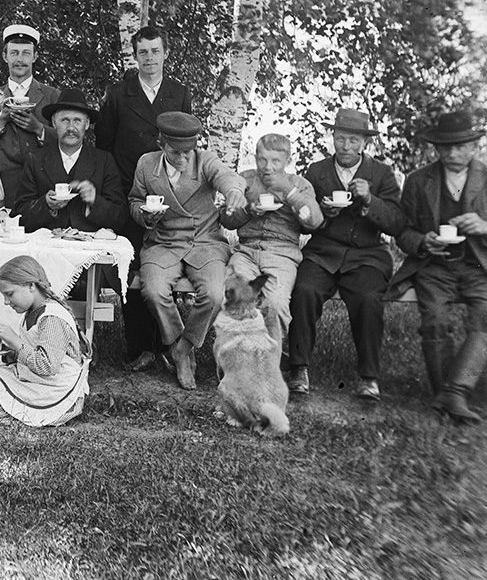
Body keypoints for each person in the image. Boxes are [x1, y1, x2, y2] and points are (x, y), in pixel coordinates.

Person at [287, 108, 406, 402]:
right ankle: (299, 369)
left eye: (353, 140)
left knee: (368, 298)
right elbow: (303, 219)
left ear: (365, 142)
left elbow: (396, 223)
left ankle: (369, 377)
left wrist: (370, 200)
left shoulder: (381, 173)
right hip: (323, 252)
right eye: (340, 138)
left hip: (367, 255)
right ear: (333, 137)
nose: (346, 147)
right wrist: (322, 215)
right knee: (304, 290)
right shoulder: (317, 171)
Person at [96, 26, 193, 371]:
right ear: (135, 55)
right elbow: (104, 145)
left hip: (170, 195)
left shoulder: (179, 93)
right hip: (131, 193)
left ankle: (168, 345)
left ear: (166, 53)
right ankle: (141, 348)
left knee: (163, 266)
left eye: (155, 51)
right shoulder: (118, 94)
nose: (149, 58)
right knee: (133, 266)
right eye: (143, 52)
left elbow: (186, 145)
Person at [128, 112, 247, 389]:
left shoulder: (205, 161)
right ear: (161, 143)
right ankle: (177, 343)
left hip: (204, 242)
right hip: (162, 242)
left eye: (187, 151)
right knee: (153, 291)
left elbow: (227, 177)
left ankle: (183, 347)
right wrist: (145, 216)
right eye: (175, 152)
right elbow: (134, 200)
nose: (183, 158)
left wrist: (234, 192)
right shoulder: (146, 164)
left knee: (215, 294)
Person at [390, 111, 487, 422]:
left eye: (460, 146)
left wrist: (486, 227)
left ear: (473, 146)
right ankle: (445, 395)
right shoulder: (418, 180)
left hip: (479, 267)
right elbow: (402, 232)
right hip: (435, 267)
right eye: (445, 146)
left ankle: (455, 392)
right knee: (434, 318)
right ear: (436, 148)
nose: (452, 153)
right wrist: (423, 241)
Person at [0, 256, 91, 426]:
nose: (6, 301)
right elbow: (31, 353)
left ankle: (1, 406)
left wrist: (16, 342)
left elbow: (47, 366)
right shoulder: (31, 312)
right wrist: (10, 351)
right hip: (35, 379)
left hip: (53, 390)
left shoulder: (52, 318)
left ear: (31, 286)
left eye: (9, 294)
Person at [222, 133, 324, 342]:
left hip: (282, 254)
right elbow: (226, 220)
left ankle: (270, 353)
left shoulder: (299, 185)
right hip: (246, 251)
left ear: (287, 160)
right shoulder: (245, 180)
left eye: (275, 161)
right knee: (237, 296)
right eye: (262, 159)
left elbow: (314, 222)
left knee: (276, 304)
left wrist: (288, 190)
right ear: (255, 157)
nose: (268, 167)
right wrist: (248, 210)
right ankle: (241, 351)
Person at [13, 89, 126, 234]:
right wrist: (46, 205)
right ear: (54, 123)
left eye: (77, 120)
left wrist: (95, 201)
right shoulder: (35, 159)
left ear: (87, 124)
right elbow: (19, 215)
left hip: (90, 244)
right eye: (65, 120)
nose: (71, 128)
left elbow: (120, 218)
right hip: (48, 243)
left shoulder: (104, 161)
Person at [0, 24, 60, 208]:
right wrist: (0, 120)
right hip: (3, 186)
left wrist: (39, 128)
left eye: (26, 53)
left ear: (35, 57)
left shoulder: (53, 96)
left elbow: (67, 139)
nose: (20, 59)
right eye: (14, 53)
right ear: (5, 56)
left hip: (43, 185)